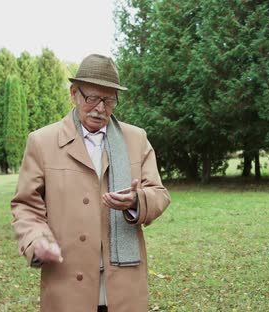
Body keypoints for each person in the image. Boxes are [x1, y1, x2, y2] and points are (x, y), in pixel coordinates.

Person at [11, 54, 171, 312]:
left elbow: (159, 194)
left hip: (124, 287)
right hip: (66, 284)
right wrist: (36, 238)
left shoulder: (136, 139)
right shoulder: (42, 142)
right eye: (92, 98)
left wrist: (136, 201)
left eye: (109, 100)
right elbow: (26, 206)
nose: (100, 108)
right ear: (74, 93)